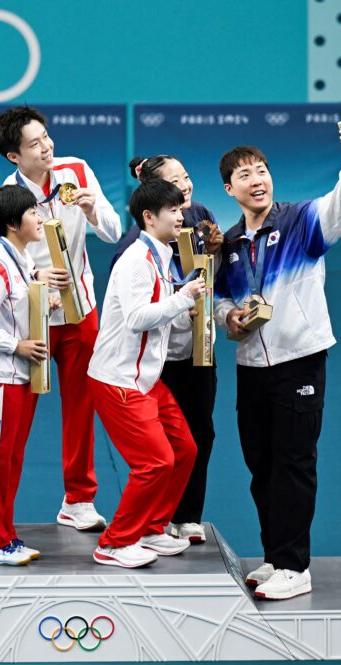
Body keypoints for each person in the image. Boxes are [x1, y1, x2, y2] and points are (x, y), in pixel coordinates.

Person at [214, 124, 341, 600]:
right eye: (245, 174)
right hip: (251, 368)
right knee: (261, 465)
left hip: (299, 360)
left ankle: (297, 567)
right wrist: (231, 318)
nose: (257, 179)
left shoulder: (300, 220)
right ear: (229, 188)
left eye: (262, 170)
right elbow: (219, 303)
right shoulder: (232, 244)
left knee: (294, 463)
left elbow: (340, 207)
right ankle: (275, 557)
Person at [0, 106, 122, 531]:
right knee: (16, 414)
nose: (46, 147)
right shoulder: (5, 198)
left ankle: (78, 500)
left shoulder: (77, 171)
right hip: (32, 318)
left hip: (81, 311)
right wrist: (35, 274)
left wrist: (93, 208)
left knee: (82, 407)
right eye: (34, 144)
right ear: (14, 156)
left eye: (46, 137)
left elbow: (114, 232)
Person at [87, 179, 205, 568]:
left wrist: (179, 301)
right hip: (119, 380)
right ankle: (115, 542)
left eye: (179, 208)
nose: (180, 214)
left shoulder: (162, 254)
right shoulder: (136, 260)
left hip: (147, 380)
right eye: (171, 210)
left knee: (185, 450)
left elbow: (159, 310)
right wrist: (182, 298)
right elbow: (138, 319)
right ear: (148, 217)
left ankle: (153, 528)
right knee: (154, 463)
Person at [110, 155, 223, 545]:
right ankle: (150, 522)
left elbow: (212, 278)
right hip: (159, 359)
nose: (186, 188)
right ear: (152, 206)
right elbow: (136, 313)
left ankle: (187, 516)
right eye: (175, 185)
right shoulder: (132, 252)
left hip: (199, 348)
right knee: (159, 448)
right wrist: (182, 296)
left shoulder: (201, 216)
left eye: (188, 177)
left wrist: (217, 254)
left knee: (200, 435)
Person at [0, 185, 60, 565]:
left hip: (20, 377)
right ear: (11, 223)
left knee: (11, 460)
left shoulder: (21, 260)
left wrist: (45, 304)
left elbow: (15, 311)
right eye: (33, 213)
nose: (39, 218)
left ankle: (5, 536)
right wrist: (15, 346)